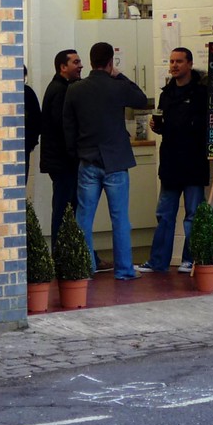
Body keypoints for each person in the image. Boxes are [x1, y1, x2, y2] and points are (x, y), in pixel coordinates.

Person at [63, 40, 149, 280]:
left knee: (84, 218)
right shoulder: (116, 86)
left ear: (90, 62)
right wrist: (120, 76)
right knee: (120, 218)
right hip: (116, 162)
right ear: (111, 62)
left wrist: (75, 154)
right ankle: (124, 270)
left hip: (88, 161)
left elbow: (68, 127)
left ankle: (84, 267)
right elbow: (141, 99)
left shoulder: (75, 89)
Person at [141, 46, 208, 273]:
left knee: (193, 215)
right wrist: (157, 126)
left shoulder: (201, 93)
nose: (174, 65)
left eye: (179, 61)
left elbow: (201, 125)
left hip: (194, 161)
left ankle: (190, 259)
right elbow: (165, 123)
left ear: (189, 64)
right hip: (170, 162)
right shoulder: (166, 93)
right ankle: (158, 261)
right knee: (164, 214)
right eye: (171, 61)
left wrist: (177, 125)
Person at [39, 48, 82, 245]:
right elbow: (62, 126)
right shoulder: (61, 90)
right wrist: (74, 152)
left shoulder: (60, 87)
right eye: (75, 62)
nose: (80, 65)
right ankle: (62, 254)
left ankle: (68, 253)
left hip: (60, 159)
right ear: (63, 67)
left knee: (67, 206)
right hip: (62, 161)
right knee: (65, 208)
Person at [23, 65, 42, 181]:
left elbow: (37, 120)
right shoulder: (28, 93)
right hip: (25, 144)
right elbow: (37, 120)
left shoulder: (27, 93)